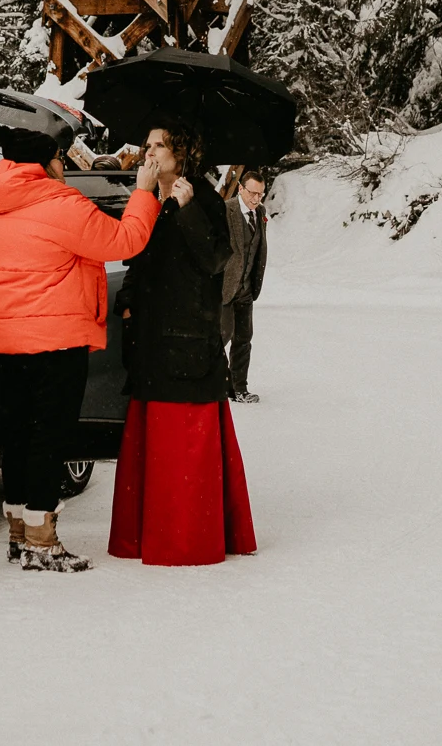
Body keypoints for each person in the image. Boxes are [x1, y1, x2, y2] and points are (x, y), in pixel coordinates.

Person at [0, 123, 162, 573]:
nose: (64, 166)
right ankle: (43, 540)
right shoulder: (61, 205)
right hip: (55, 341)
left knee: (19, 435)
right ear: (45, 164)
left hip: (5, 341)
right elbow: (125, 241)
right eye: (60, 158)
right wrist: (144, 193)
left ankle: (20, 532)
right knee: (48, 436)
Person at [107, 120, 258, 566]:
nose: (149, 152)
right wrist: (130, 302)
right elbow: (137, 260)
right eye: (147, 145)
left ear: (181, 152)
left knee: (182, 445)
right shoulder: (149, 201)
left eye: (159, 145)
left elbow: (216, 260)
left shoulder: (206, 197)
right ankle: (142, 535)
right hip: (151, 341)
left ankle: (184, 536)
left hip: (189, 340)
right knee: (148, 441)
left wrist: (189, 210)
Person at [221, 170, 269, 404]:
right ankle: (213, 385)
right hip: (224, 288)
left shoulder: (260, 213)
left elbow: (257, 249)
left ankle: (238, 388)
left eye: (260, 194)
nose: (256, 198)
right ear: (240, 189)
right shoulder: (225, 210)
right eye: (252, 193)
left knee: (244, 339)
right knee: (220, 337)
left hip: (247, 288)